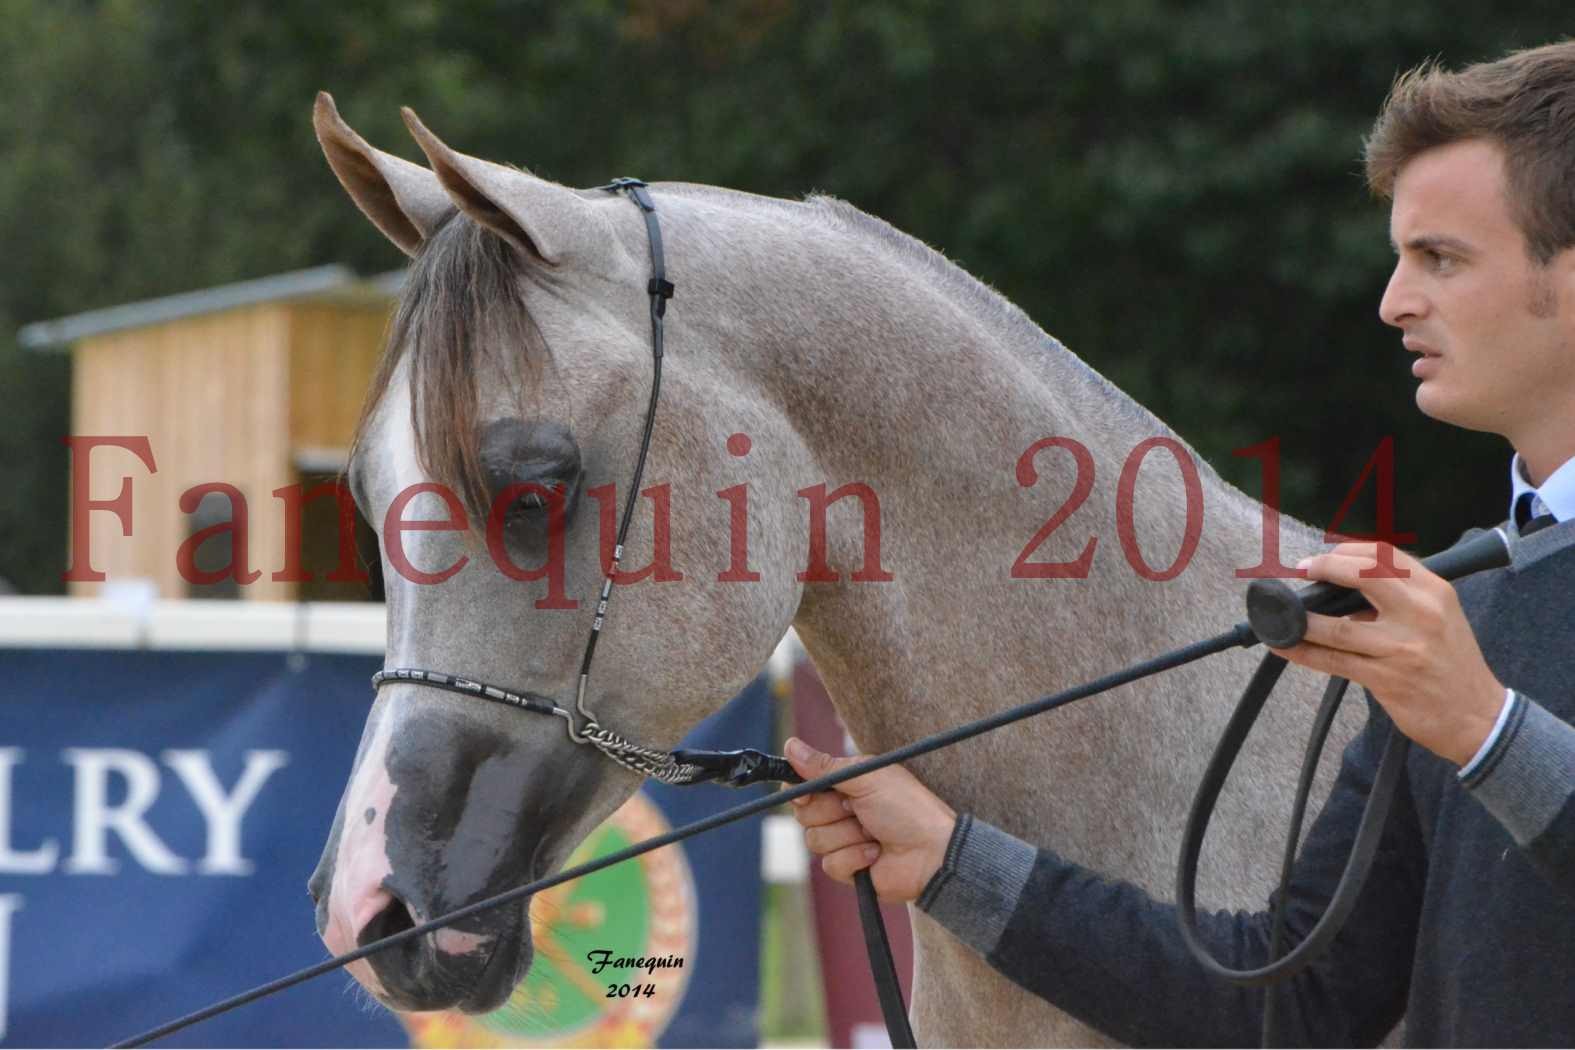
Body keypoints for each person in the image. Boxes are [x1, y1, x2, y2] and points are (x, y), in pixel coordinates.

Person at [786, 41, 1575, 1047]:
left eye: (1442, 259)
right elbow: (1292, 1003)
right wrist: (951, 862)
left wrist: (1486, 729)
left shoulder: (1456, 672)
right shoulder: (1469, 609)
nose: (1393, 302)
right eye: (1401, 257)